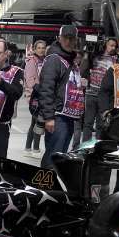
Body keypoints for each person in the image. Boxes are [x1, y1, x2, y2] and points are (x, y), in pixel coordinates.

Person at [37, 25, 84, 168]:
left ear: (76, 40)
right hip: (57, 117)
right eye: (65, 38)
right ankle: (42, 186)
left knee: (59, 158)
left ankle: (50, 187)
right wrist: (49, 117)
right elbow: (46, 89)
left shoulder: (70, 60)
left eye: (71, 38)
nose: (68, 42)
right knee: (52, 157)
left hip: (68, 117)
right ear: (59, 38)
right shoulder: (54, 59)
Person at [79, 38, 119, 145]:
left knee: (101, 124)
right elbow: (82, 70)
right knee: (88, 123)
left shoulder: (116, 59)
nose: (113, 48)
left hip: (105, 96)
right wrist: (87, 54)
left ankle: (97, 145)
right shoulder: (95, 55)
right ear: (106, 45)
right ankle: (85, 146)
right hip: (91, 92)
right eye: (111, 45)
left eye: (115, 46)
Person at [23, 40, 47, 151]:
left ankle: (28, 147)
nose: (41, 50)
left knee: (34, 122)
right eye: (39, 48)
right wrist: (35, 91)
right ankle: (35, 148)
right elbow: (30, 80)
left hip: (42, 95)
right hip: (35, 96)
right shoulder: (32, 61)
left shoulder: (45, 60)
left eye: (43, 48)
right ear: (35, 49)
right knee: (39, 121)